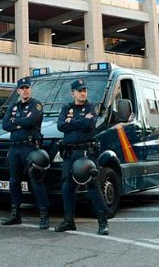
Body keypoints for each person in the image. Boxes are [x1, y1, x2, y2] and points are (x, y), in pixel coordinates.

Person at [55, 79, 109, 235]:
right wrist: (79, 121)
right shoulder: (66, 107)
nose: (83, 93)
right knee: (67, 186)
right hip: (69, 153)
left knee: (92, 186)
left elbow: (89, 124)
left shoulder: (91, 107)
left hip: (86, 153)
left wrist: (71, 121)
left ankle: (102, 222)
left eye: (85, 90)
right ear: (73, 93)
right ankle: (68, 221)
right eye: (80, 91)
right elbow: (60, 126)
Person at [1, 77, 50, 229]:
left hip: (30, 148)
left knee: (36, 181)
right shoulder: (13, 106)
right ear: (18, 91)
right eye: (22, 88)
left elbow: (30, 122)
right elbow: (5, 125)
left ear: (30, 89)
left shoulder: (36, 105)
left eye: (27, 87)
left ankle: (44, 216)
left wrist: (15, 122)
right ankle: (15, 215)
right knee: (14, 181)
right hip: (15, 148)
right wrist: (19, 122)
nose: (25, 90)